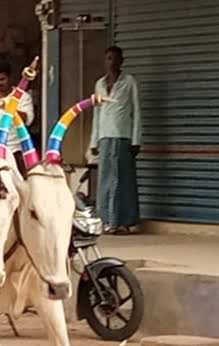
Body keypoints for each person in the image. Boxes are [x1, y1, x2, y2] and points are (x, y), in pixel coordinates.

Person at [89, 45, 142, 235]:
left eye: (115, 59)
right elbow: (97, 113)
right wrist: (93, 142)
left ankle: (125, 221)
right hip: (104, 137)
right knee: (105, 180)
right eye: (109, 58)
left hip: (123, 137)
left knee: (122, 180)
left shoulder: (129, 82)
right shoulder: (100, 84)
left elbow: (136, 111)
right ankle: (106, 221)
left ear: (122, 61)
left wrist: (136, 139)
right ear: (105, 61)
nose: (112, 62)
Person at [0, 59, 35, 174]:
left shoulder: (23, 97)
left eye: (2, 79)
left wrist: (8, 106)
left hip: (14, 151)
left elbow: (27, 120)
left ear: (10, 79)